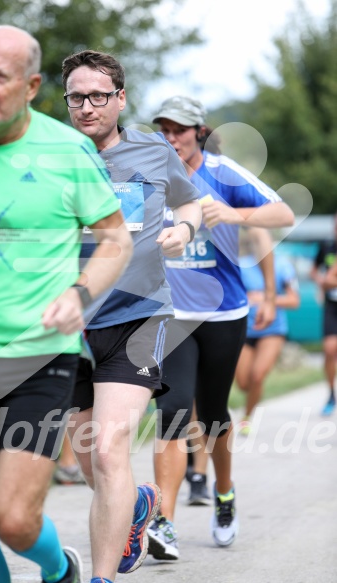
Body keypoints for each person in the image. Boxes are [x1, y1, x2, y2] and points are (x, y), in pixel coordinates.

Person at [0, 25, 133, 583]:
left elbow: (116, 240)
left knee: (12, 518)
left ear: (29, 86)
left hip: (40, 358)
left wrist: (79, 294)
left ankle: (59, 569)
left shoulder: (67, 149)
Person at [60, 52, 202, 583]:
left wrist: (183, 231)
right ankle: (140, 505)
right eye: (77, 96)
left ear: (120, 98)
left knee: (111, 446)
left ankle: (101, 578)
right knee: (91, 462)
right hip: (70, 323)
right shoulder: (55, 154)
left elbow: (189, 204)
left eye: (100, 95)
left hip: (138, 314)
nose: (88, 106)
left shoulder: (153, 150)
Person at [147, 95, 295, 560]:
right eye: (164, 129)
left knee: (213, 416)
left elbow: (283, 214)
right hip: (172, 315)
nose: (172, 138)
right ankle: (164, 522)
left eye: (181, 130)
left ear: (200, 133)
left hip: (224, 314)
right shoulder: (151, 175)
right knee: (171, 412)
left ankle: (224, 494)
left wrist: (234, 214)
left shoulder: (224, 173)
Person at [235, 231, 300, 435]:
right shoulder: (241, 264)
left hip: (272, 330)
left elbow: (294, 301)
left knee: (257, 375)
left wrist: (266, 298)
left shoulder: (282, 265)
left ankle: (246, 418)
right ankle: (250, 399)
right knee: (243, 383)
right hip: (245, 330)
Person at [310, 213, 337, 416]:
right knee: (329, 350)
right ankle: (330, 394)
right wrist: (321, 282)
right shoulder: (327, 247)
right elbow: (315, 272)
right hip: (331, 304)